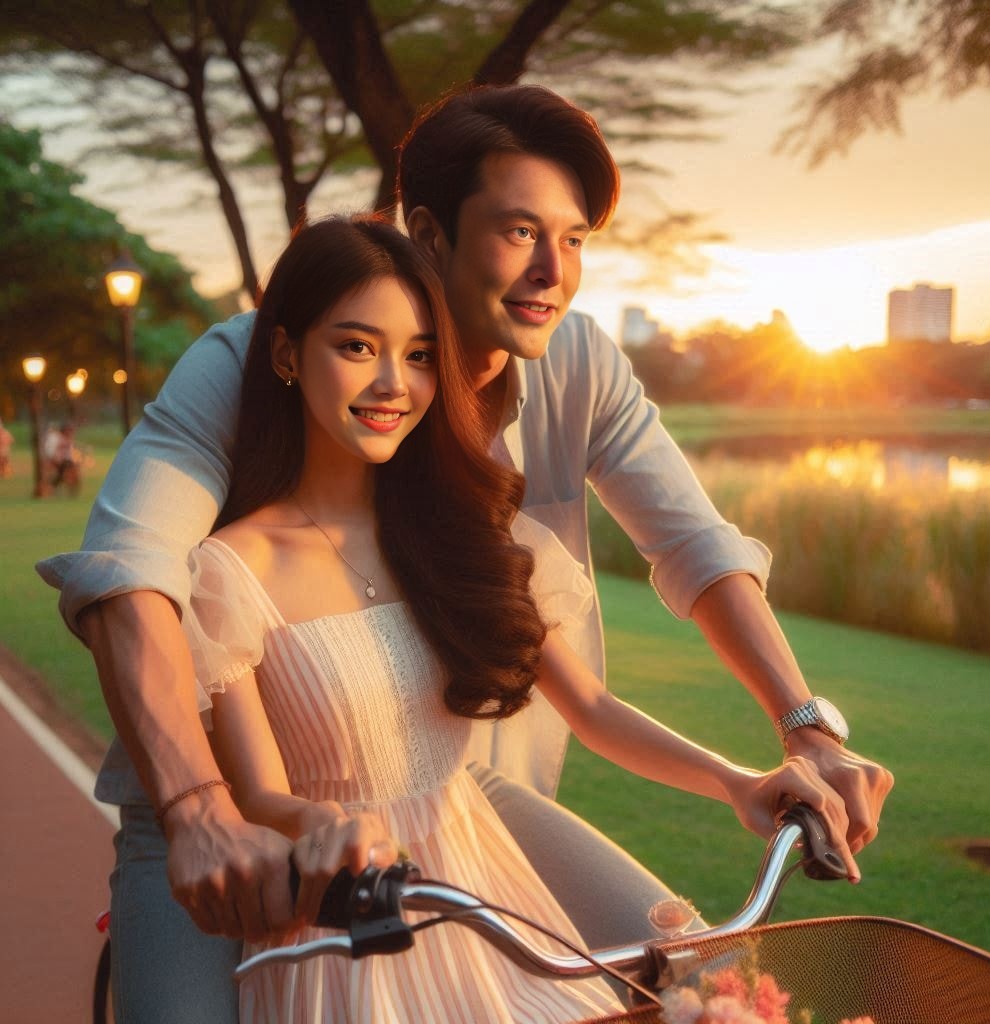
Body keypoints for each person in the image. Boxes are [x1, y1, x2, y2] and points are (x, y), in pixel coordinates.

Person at [38, 84, 892, 1023]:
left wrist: (798, 730)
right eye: (520, 232)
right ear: (429, 234)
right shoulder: (242, 367)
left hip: (449, 795)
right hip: (215, 806)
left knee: (690, 971)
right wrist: (200, 810)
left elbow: (690, 544)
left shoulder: (553, 393)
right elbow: (130, 569)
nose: (550, 273)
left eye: (572, 240)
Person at [188, 213, 860, 1022]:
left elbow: (594, 709)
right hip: (349, 924)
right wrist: (322, 825)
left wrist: (739, 782)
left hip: (486, 886)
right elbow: (257, 796)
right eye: (357, 346)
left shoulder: (463, 533)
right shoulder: (230, 570)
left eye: (420, 355)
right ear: (289, 354)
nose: (393, 384)